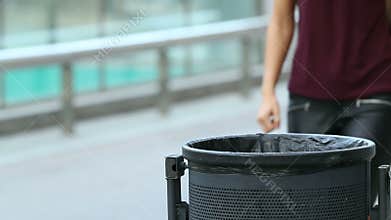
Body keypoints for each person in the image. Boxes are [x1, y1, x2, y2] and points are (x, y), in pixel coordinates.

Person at [257, 0, 391, 209]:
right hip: (308, 97)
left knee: (357, 198)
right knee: (309, 201)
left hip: (375, 90)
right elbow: (281, 21)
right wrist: (268, 92)